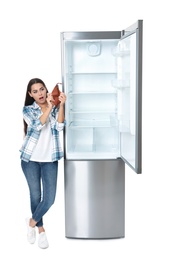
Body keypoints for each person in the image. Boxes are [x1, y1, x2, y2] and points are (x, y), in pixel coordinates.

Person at [20, 78, 66, 249]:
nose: (40, 93)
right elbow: (37, 124)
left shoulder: (53, 106)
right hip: (30, 160)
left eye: (42, 89)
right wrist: (48, 107)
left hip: (49, 160)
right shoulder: (27, 110)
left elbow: (60, 127)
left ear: (46, 90)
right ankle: (41, 231)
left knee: (49, 199)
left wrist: (60, 105)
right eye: (36, 91)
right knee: (35, 196)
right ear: (30, 94)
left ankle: (31, 223)